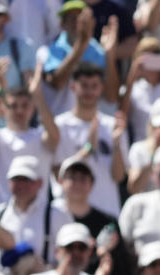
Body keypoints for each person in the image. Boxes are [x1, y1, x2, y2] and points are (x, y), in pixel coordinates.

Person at [0, 57, 59, 213]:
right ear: (3, 110)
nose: (19, 111)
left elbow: (55, 137)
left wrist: (38, 96)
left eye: (25, 105)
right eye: (13, 106)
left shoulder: (41, 137)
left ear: (32, 108)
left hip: (37, 217)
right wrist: (0, 89)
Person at [52, 62, 129, 216]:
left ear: (101, 89)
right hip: (68, 214)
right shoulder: (60, 125)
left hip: (106, 211)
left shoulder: (113, 126)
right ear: (73, 87)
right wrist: (87, 150)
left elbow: (119, 176)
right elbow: (56, 173)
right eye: (84, 85)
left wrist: (116, 145)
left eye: (94, 86)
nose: (89, 91)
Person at [0, 156, 71, 265]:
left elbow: (70, 256)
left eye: (26, 179)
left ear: (40, 183)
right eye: (17, 179)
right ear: (9, 182)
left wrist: (46, 271)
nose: (21, 185)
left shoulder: (57, 215)